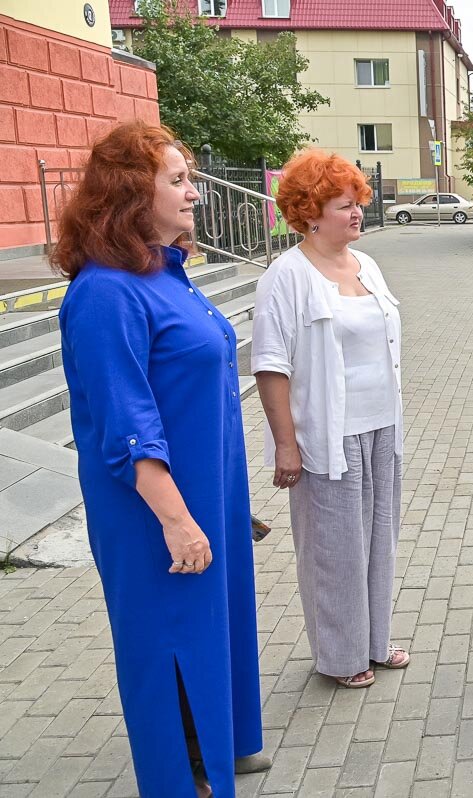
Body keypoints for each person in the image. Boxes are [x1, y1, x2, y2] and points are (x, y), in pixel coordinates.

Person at [53, 121, 266, 797]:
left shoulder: (164, 274)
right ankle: (182, 781)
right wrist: (177, 519)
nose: (194, 192)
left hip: (203, 493)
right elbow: (126, 424)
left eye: (190, 177)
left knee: (208, 628)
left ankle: (212, 751)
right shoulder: (105, 291)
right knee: (169, 641)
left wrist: (226, 502)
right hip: (152, 510)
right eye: (177, 180)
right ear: (129, 194)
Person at [251, 149, 409, 689]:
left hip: (381, 426)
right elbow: (270, 367)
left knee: (377, 542)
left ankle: (373, 639)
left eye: (359, 202)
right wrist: (286, 445)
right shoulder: (286, 276)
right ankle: (340, 658)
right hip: (327, 436)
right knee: (333, 551)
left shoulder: (368, 265)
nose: (358, 213)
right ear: (310, 213)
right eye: (346, 205)